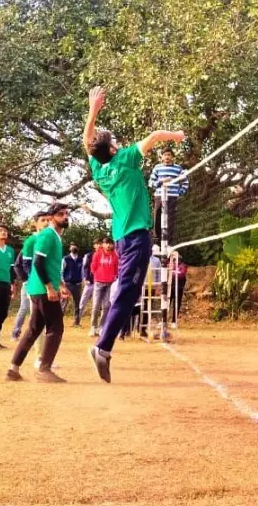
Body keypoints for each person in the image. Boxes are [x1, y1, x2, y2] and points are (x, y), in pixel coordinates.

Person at [83, 85, 185, 383]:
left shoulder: (100, 169)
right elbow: (154, 137)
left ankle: (104, 345)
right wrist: (176, 136)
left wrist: (93, 111)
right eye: (113, 141)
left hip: (122, 238)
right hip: (137, 236)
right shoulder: (124, 159)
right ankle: (102, 347)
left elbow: (88, 142)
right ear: (112, 149)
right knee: (128, 294)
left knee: (130, 292)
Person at [6, 203, 71, 383]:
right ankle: (44, 369)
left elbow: (51, 265)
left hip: (41, 288)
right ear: (51, 218)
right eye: (60, 214)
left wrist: (61, 284)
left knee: (34, 329)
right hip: (42, 289)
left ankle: (13, 369)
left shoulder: (55, 236)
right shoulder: (47, 235)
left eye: (66, 214)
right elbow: (38, 263)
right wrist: (50, 287)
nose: (65, 217)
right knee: (56, 328)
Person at [12, 211, 49, 341]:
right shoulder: (31, 242)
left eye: (48, 220)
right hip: (31, 282)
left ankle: (39, 336)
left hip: (44, 283)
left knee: (40, 312)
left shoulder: (49, 240)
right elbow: (19, 265)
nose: (46, 223)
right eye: (43, 220)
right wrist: (27, 280)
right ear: (36, 224)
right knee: (25, 308)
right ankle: (16, 332)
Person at [149, 147, 188, 248]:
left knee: (170, 219)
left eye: (169, 154)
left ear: (172, 157)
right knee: (157, 218)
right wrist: (161, 182)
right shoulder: (157, 167)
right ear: (161, 157)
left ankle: (169, 244)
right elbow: (150, 183)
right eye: (165, 154)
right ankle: (156, 244)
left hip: (172, 197)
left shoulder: (178, 168)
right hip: (159, 196)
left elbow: (185, 182)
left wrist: (179, 192)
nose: (167, 156)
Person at [85, 238, 118, 336]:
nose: (108, 245)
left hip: (110, 283)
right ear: (102, 245)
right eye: (106, 243)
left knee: (106, 306)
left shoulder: (115, 255)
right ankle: (93, 327)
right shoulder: (98, 254)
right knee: (96, 305)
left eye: (110, 244)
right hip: (98, 282)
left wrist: (114, 277)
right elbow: (93, 266)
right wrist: (97, 275)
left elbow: (117, 268)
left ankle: (101, 326)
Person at [62, 244, 84, 326]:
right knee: (64, 302)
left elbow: (83, 271)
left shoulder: (81, 259)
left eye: (75, 246)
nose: (74, 247)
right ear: (70, 248)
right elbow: (61, 271)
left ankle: (76, 322)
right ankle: (59, 321)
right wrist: (62, 283)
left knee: (77, 303)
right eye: (72, 246)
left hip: (78, 284)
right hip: (67, 283)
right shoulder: (66, 259)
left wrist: (82, 280)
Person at [166, 250, 188, 330]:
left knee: (176, 305)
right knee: (167, 303)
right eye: (173, 258)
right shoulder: (171, 264)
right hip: (170, 288)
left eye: (176, 258)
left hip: (179, 288)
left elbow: (182, 274)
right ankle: (164, 320)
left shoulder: (183, 265)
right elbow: (168, 271)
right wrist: (175, 272)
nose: (175, 260)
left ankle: (174, 322)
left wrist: (173, 272)